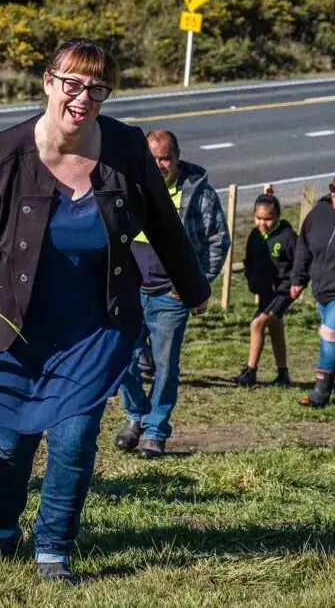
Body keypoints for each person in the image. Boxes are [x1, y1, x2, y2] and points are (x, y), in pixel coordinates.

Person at [0, 38, 210, 582]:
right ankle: (0, 531)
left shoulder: (127, 147)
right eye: (73, 84)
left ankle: (54, 545)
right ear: (48, 82)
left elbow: (164, 225)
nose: (83, 98)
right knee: (12, 437)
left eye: (97, 88)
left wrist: (193, 288)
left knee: (76, 437)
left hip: (94, 323)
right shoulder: (1, 154)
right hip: (15, 322)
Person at [117, 130, 229, 458]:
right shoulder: (131, 187)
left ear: (177, 157)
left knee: (165, 367)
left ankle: (155, 430)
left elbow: (217, 240)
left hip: (170, 296)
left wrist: (196, 283)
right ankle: (135, 414)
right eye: (152, 158)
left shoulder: (199, 194)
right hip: (130, 290)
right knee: (121, 357)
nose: (159, 164)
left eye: (164, 158)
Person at [291, 166, 335, 407]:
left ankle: (321, 392)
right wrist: (298, 278)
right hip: (324, 290)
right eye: (334, 188)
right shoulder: (320, 212)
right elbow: (304, 245)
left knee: (330, 332)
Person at [232, 192, 296, 387]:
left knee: (257, 324)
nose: (262, 223)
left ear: (277, 216)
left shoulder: (288, 237)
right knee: (275, 327)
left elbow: (302, 262)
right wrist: (251, 278)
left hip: (283, 291)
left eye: (268, 219)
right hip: (264, 290)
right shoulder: (254, 236)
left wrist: (297, 282)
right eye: (258, 218)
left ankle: (250, 373)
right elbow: (250, 260)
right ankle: (283, 374)